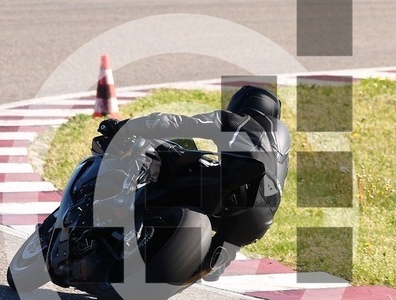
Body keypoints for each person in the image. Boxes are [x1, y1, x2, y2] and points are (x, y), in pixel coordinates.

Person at [93, 85, 291, 281]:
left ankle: (126, 201)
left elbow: (175, 123)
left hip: (233, 189)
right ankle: (213, 258)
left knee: (161, 155)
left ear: (243, 103)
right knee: (206, 269)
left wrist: (124, 127)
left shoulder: (236, 121)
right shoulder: (281, 148)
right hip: (259, 220)